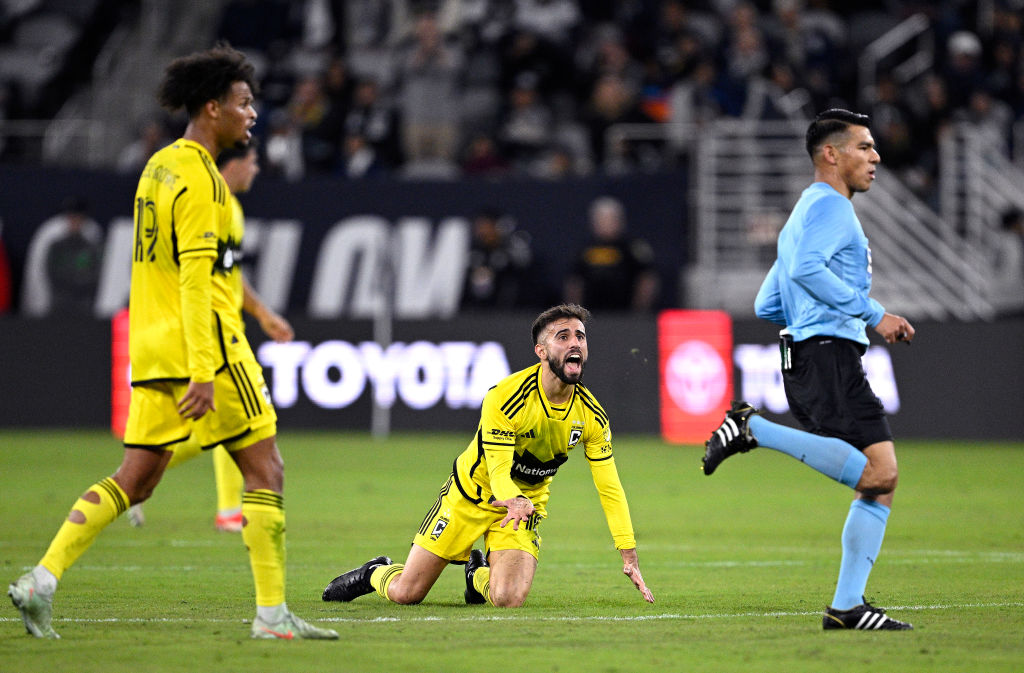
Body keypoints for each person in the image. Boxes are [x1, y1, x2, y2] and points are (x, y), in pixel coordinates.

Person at [7, 44, 337, 640]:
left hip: (152, 344)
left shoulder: (157, 166)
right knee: (267, 471)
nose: (252, 114)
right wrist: (205, 370)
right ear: (212, 108)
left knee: (136, 479)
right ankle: (271, 616)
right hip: (206, 346)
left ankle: (41, 580)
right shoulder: (207, 185)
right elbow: (195, 279)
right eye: (242, 103)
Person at [702, 109, 916, 631]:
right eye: (864, 147)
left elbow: (768, 300)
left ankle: (847, 607)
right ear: (831, 154)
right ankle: (754, 429)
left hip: (814, 352)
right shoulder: (832, 209)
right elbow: (802, 272)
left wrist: (806, 315)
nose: (875, 157)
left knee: (880, 482)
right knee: (880, 473)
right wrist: (873, 314)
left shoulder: (804, 212)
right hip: (827, 355)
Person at [322, 304, 655, 608]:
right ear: (540, 351)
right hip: (471, 494)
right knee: (407, 593)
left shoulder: (591, 415)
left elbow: (609, 486)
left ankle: (476, 576)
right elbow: (497, 469)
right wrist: (513, 497)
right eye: (563, 336)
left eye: (580, 337)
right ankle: (375, 572)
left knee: (508, 599)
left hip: (525, 504)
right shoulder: (506, 397)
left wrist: (628, 552)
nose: (575, 343)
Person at [126, 142, 296, 533]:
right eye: (253, 162)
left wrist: (263, 314)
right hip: (205, 333)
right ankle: (143, 484)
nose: (256, 169)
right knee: (239, 425)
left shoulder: (223, 204)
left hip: (207, 329)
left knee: (220, 423)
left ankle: (133, 480)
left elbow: (229, 276)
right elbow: (195, 277)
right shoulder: (211, 203)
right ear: (233, 165)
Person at [564, 196, 658, 312]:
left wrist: (639, 310)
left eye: (610, 219)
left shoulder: (632, 247)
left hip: (624, 314)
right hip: (592, 314)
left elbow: (646, 279)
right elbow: (575, 282)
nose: (605, 223)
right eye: (601, 219)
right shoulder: (585, 249)